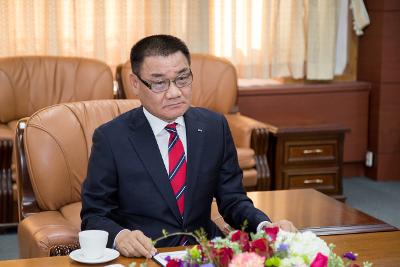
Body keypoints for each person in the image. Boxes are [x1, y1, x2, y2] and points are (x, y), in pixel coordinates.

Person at [81, 34, 295, 259]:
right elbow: (94, 214)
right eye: (159, 83)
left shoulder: (215, 127)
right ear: (135, 83)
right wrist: (121, 236)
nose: (174, 92)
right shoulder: (111, 138)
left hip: (205, 252)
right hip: (146, 256)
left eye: (182, 79)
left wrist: (265, 227)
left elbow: (233, 199)